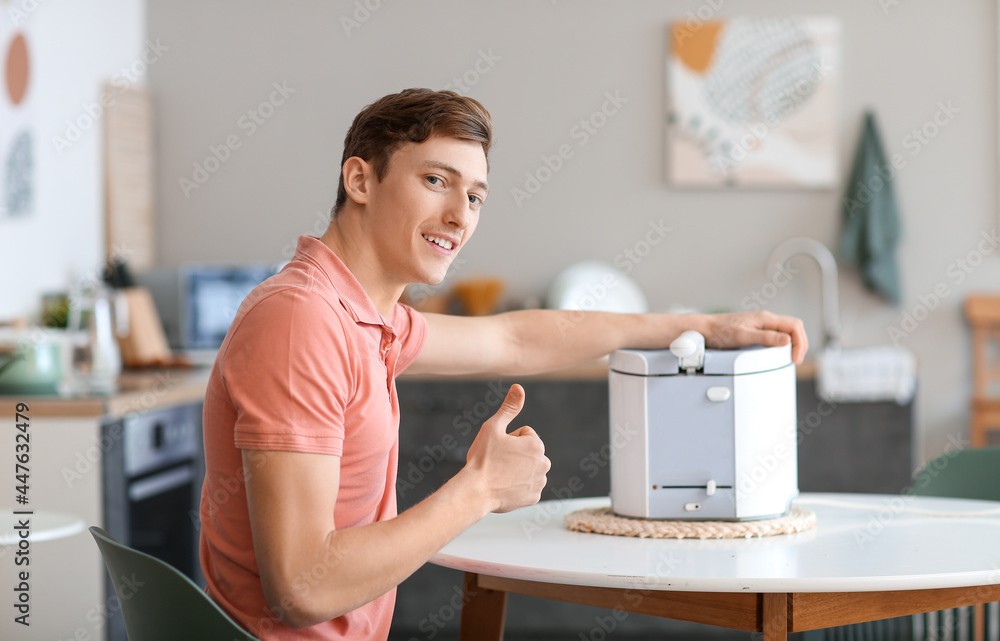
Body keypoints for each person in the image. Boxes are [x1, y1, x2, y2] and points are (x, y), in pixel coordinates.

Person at [198, 88, 808, 640]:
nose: (461, 216)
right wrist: (479, 490)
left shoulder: (362, 317)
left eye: (475, 195)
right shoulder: (303, 320)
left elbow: (516, 339)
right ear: (360, 180)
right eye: (436, 181)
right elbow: (303, 589)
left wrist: (699, 326)